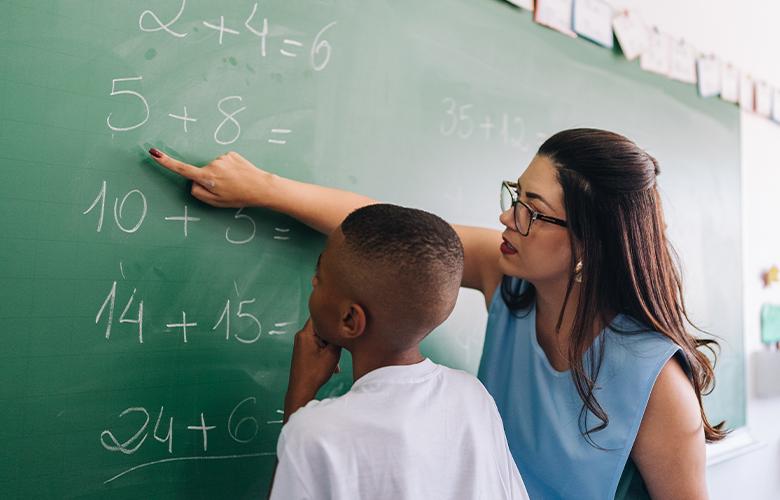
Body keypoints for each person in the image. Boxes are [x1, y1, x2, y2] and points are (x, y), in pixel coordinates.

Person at [149, 127, 725, 499]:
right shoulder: (512, 283)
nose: (507, 219)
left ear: (589, 245)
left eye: (533, 210)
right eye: (514, 195)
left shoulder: (655, 384)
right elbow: (396, 235)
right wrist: (262, 187)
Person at [268, 203, 528, 499]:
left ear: (350, 320)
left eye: (320, 276)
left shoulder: (316, 433)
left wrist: (299, 399)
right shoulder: (473, 397)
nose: (313, 280)